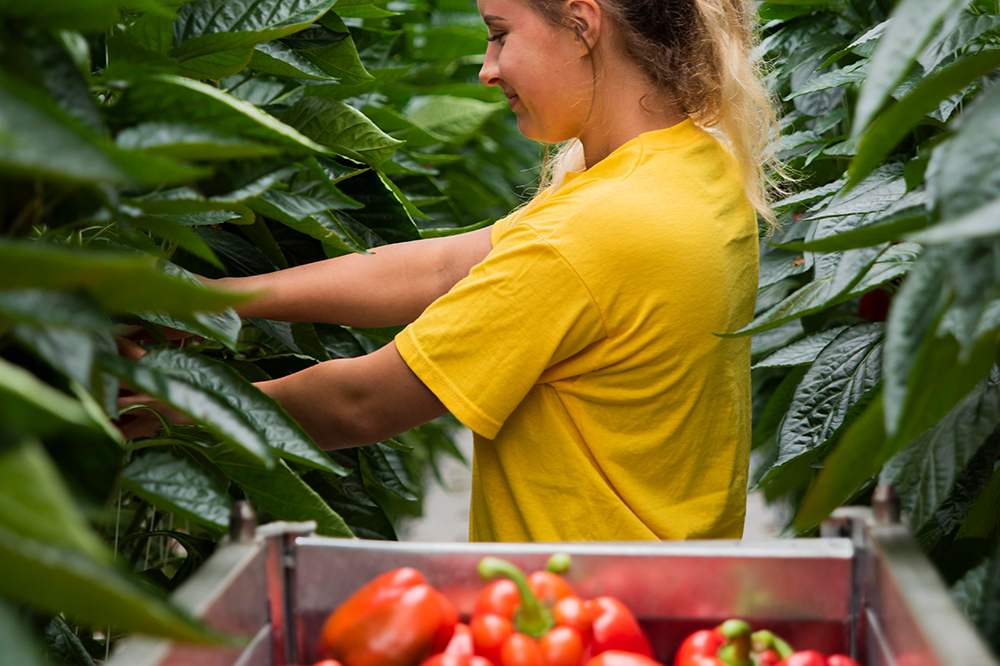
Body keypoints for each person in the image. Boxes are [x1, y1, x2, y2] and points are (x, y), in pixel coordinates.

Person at [119, 0, 780, 542]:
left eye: (499, 36)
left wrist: (165, 408)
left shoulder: (592, 234)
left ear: (582, 24)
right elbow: (441, 267)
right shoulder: (692, 167)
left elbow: (361, 404)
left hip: (570, 616)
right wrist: (208, 298)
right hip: (667, 590)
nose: (487, 70)